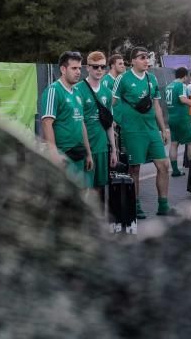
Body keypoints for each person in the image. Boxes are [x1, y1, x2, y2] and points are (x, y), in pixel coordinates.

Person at [112, 46, 175, 217]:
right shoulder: (123, 79)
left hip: (151, 130)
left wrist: (164, 129)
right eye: (141, 57)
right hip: (132, 131)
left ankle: (163, 206)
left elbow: (156, 106)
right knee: (135, 169)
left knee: (163, 165)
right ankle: (136, 205)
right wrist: (120, 123)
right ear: (132, 61)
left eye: (147, 57)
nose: (146, 60)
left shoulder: (152, 79)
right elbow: (113, 103)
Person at [40, 51, 94, 187]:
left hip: (78, 154)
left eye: (79, 68)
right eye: (74, 68)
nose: (78, 72)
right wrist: (53, 154)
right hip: (63, 156)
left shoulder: (77, 92)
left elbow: (81, 123)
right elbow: (47, 123)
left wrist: (88, 154)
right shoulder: (53, 90)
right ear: (63, 69)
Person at [76, 51, 119, 209]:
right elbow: (77, 122)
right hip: (83, 148)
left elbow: (108, 123)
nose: (99, 70)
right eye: (95, 67)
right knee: (82, 187)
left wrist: (113, 150)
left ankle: (97, 223)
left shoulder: (107, 93)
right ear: (88, 68)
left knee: (99, 188)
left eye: (102, 66)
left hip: (101, 148)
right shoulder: (78, 89)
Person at [164, 66, 191, 176]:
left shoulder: (168, 86)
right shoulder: (181, 85)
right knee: (190, 142)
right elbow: (183, 100)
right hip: (182, 118)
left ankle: (175, 170)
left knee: (174, 143)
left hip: (172, 118)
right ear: (184, 76)